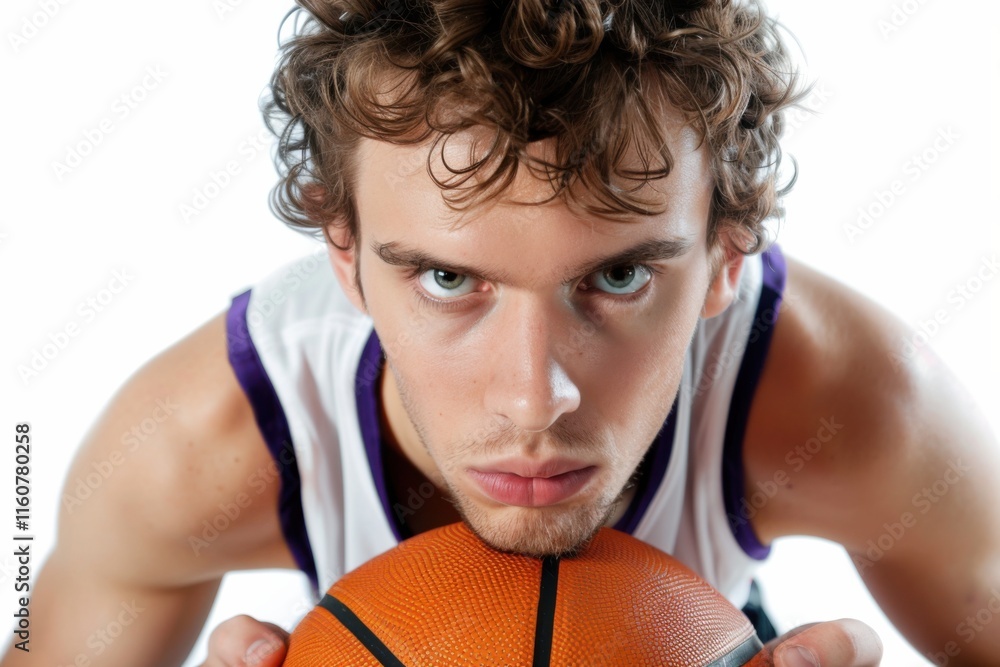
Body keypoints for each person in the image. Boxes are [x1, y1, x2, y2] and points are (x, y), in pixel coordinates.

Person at [5, 1, 999, 666]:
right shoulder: (192, 447)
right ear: (342, 254)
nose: (534, 398)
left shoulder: (857, 407)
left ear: (726, 257)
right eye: (448, 278)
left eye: (615, 276)